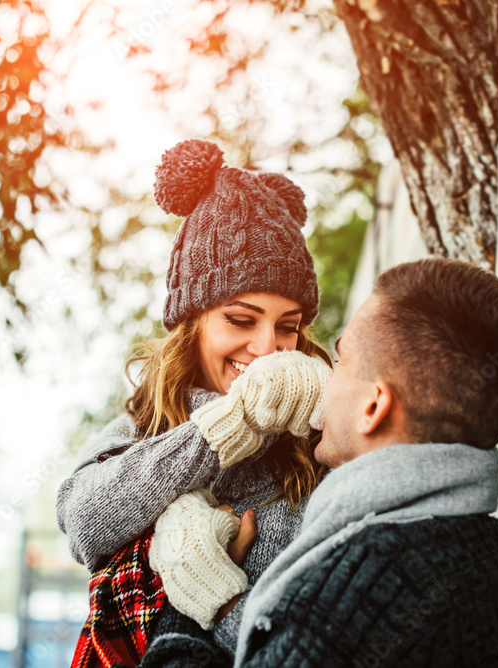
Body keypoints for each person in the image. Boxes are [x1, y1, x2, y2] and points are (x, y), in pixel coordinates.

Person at [140, 257, 498, 667]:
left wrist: (188, 601)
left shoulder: (363, 584)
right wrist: (230, 607)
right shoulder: (477, 552)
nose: (321, 382)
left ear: (373, 407)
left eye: (339, 362)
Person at [56, 139, 334, 666]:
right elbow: (84, 522)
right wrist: (234, 421)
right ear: (193, 320)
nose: (267, 348)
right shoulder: (145, 424)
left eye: (288, 327)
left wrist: (219, 601)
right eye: (241, 319)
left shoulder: (321, 440)